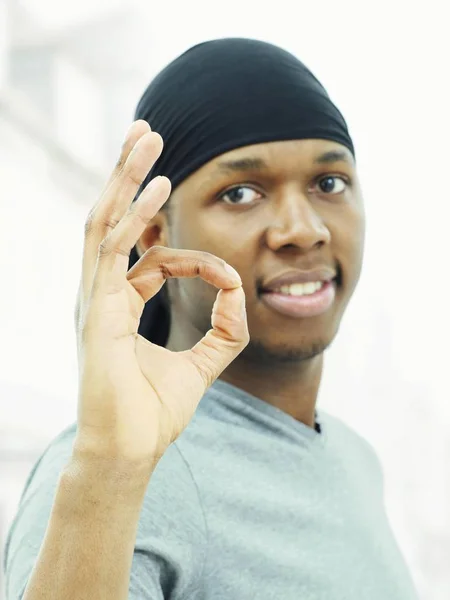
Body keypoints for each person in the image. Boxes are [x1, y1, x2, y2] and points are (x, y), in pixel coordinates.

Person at [3, 38, 419, 600]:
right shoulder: (122, 475)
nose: (303, 229)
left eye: (329, 183)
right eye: (241, 192)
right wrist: (108, 467)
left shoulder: (352, 456)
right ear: (155, 236)